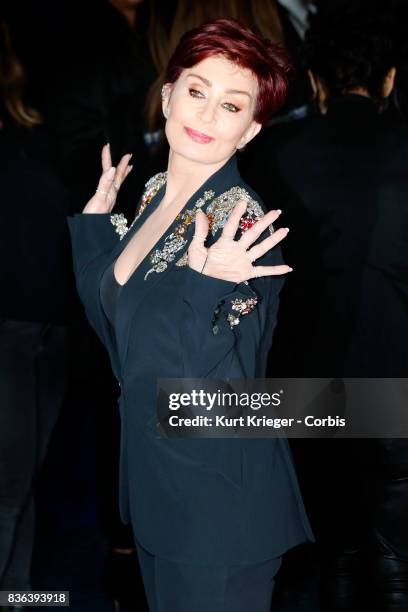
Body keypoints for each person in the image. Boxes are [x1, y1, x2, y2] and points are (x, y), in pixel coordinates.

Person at [68, 18, 315, 611]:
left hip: (218, 505)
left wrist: (204, 289)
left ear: (251, 130)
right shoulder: (156, 192)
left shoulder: (244, 228)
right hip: (160, 491)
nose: (205, 116)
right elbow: (121, 335)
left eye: (231, 106)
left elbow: (209, 395)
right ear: (167, 94)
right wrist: (98, 234)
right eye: (197, 91)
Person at [241, 4, 408, 610]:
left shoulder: (275, 154)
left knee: (333, 556)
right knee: (396, 564)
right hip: (399, 384)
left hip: (309, 387)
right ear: (391, 78)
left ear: (315, 82)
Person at [0, 17, 71, 597]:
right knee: (6, 493)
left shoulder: (29, 133)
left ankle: (17, 599)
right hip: (14, 333)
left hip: (46, 331)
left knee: (20, 491)